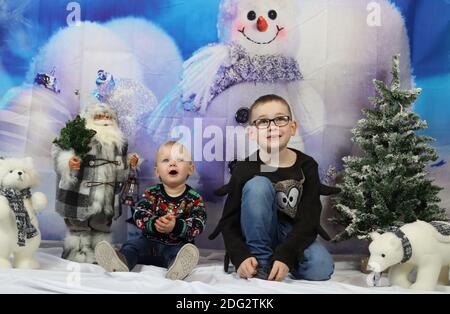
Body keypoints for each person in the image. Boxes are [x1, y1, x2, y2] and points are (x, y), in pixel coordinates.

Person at [209, 94, 334, 281]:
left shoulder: (307, 166)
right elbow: (229, 221)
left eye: (280, 119)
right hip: (255, 234)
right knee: (258, 185)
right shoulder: (245, 168)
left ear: (292, 127)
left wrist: (286, 255)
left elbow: (309, 218)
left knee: (321, 268)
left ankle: (279, 263)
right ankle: (260, 261)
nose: (272, 126)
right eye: (263, 121)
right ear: (252, 132)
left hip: (291, 236)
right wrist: (239, 256)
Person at [95, 141, 206, 280]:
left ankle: (176, 268)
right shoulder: (152, 194)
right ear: (157, 171)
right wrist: (154, 223)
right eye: (166, 160)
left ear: (190, 169)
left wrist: (175, 226)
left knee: (180, 252)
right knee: (131, 246)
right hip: (148, 243)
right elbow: (139, 213)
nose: (172, 164)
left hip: (176, 245)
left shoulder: (194, 198)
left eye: (179, 160)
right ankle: (122, 261)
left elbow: (199, 223)